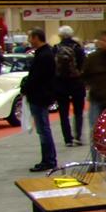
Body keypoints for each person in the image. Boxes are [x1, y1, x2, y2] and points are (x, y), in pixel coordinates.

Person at [21, 28, 57, 171]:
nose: (29, 40)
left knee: (43, 130)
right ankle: (48, 159)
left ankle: (49, 160)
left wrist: (25, 88)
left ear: (36, 37)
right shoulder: (45, 53)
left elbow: (37, 78)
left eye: (30, 37)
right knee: (43, 129)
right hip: (41, 96)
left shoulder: (44, 55)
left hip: (40, 96)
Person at [54, 25, 87, 146]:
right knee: (78, 112)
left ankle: (68, 139)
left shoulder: (56, 48)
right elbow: (83, 65)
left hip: (61, 84)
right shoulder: (77, 48)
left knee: (64, 114)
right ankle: (78, 137)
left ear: (60, 36)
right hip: (76, 83)